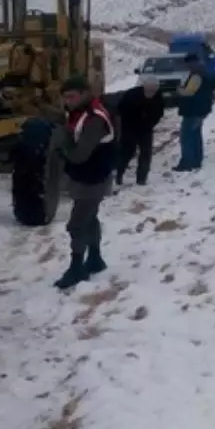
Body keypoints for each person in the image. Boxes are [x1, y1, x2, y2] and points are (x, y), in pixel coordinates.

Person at [54, 75, 116, 290]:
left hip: (93, 178)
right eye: (65, 98)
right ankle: (95, 259)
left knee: (76, 224)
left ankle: (77, 267)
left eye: (72, 97)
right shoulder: (80, 113)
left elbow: (80, 154)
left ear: (84, 94)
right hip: (88, 176)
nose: (68, 101)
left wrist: (62, 144)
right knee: (90, 219)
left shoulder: (94, 118)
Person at [114, 72, 164, 186]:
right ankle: (119, 175)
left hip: (146, 129)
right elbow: (120, 110)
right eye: (149, 89)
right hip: (130, 128)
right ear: (144, 87)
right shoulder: (132, 94)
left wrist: (151, 123)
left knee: (145, 154)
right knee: (126, 153)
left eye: (154, 90)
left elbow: (159, 112)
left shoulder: (158, 97)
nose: (151, 92)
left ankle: (141, 179)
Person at [174, 56, 215, 172]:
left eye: (188, 64)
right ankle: (196, 160)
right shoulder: (207, 73)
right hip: (201, 110)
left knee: (186, 137)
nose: (187, 67)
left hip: (192, 110)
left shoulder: (196, 76)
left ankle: (187, 163)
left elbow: (189, 92)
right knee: (196, 135)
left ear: (192, 63)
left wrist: (179, 90)